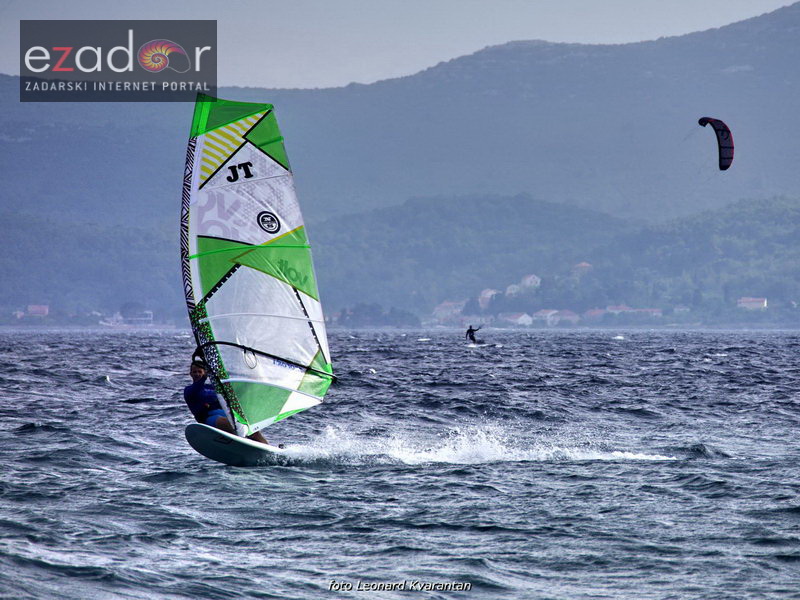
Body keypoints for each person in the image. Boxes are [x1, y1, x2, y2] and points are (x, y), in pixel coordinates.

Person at [184, 354, 271, 445]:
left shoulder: (211, 387)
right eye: (194, 372)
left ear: (204, 372)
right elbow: (197, 390)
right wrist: (204, 377)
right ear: (191, 374)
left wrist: (248, 384)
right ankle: (243, 443)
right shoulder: (189, 390)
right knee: (229, 424)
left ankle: (268, 448)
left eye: (199, 371)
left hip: (222, 413)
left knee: (250, 428)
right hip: (207, 419)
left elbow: (232, 392)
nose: (197, 374)